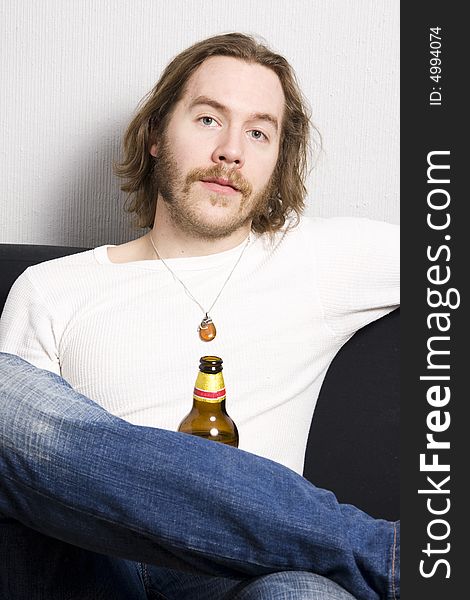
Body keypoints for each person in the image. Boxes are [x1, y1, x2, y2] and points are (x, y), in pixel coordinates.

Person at [0, 33, 399, 599]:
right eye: (209, 119)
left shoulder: (317, 259)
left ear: (276, 161)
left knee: (304, 595)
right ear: (158, 134)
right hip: (94, 565)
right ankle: (387, 555)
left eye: (259, 133)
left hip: (246, 573)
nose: (231, 151)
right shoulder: (52, 288)